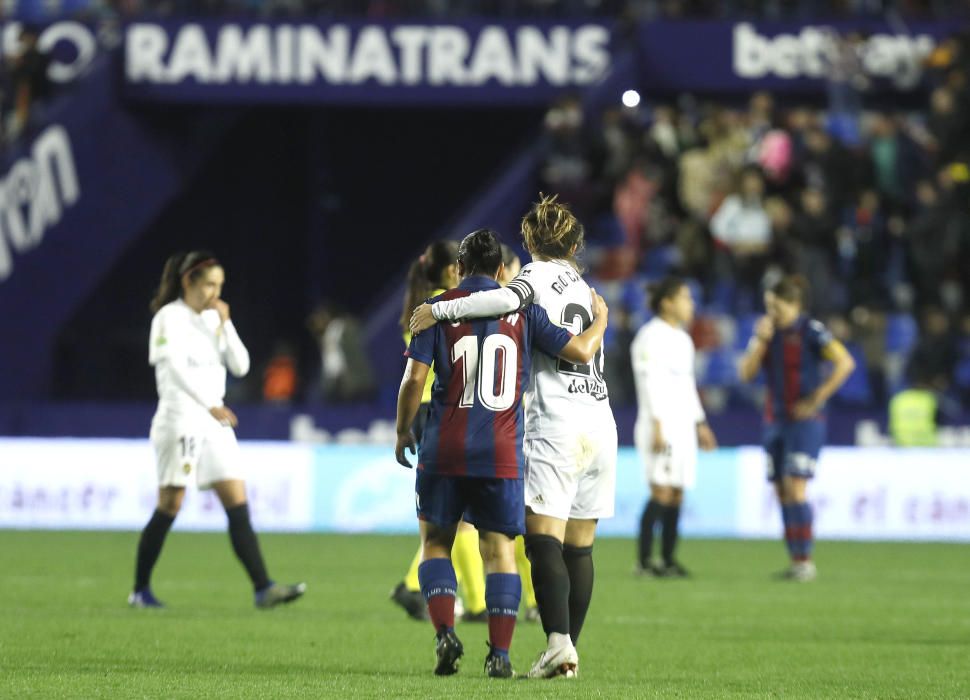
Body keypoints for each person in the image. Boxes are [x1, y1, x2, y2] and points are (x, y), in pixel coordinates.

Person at [411, 194, 617, 679]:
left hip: (558, 420)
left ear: (529, 240)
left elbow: (501, 300)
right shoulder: (585, 289)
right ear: (575, 243)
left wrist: (439, 312)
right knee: (581, 546)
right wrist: (604, 320)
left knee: (542, 538)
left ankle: (559, 644)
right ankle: (564, 651)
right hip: (601, 419)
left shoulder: (532, 278)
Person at [129, 251, 305, 608]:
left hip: (215, 422)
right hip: (180, 418)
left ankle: (263, 588)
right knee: (171, 503)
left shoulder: (214, 318)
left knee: (237, 501)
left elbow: (240, 366)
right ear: (188, 283)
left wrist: (226, 324)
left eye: (220, 285)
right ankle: (140, 590)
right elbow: (174, 367)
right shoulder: (168, 317)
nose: (215, 291)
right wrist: (207, 402)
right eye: (209, 283)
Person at [389, 241, 488, 624]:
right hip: (442, 407)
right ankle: (432, 591)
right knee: (456, 515)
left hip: (425, 410)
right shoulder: (445, 307)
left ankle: (468, 601)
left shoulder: (419, 307)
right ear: (452, 271)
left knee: (453, 514)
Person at [738, 276, 855, 582]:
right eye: (768, 307)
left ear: (794, 305)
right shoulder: (766, 333)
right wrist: (760, 340)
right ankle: (796, 561)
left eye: (777, 307)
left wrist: (817, 398)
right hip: (774, 421)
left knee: (795, 486)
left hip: (805, 422)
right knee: (781, 491)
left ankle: (805, 560)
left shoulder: (811, 331)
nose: (772, 313)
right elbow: (745, 374)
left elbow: (845, 363)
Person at [631, 277, 717, 578]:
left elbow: (688, 385)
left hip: (683, 426)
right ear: (667, 302)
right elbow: (648, 382)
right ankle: (644, 561)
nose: (690, 304)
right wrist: (657, 424)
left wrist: (700, 423)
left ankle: (667, 559)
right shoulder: (649, 336)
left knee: (677, 492)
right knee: (661, 491)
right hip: (660, 425)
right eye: (685, 298)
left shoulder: (683, 339)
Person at [500, 243, 539, 623]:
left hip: (479, 431)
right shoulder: (522, 314)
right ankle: (531, 601)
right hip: (514, 432)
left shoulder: (457, 310)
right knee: (517, 527)